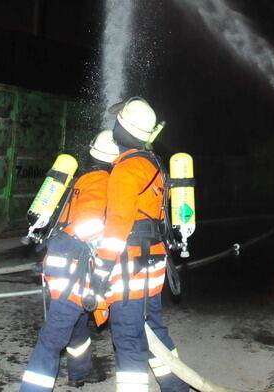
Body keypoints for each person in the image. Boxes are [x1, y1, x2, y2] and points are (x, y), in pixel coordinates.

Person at [92, 97, 190, 392]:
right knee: (154, 330)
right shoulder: (153, 163)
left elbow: (118, 224)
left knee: (128, 336)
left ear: (121, 129)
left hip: (128, 263)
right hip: (155, 259)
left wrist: (101, 268)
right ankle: (177, 387)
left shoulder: (124, 171)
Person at [19, 129, 119, 392]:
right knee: (53, 338)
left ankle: (80, 372)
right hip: (74, 267)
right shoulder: (100, 180)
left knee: (76, 322)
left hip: (61, 261)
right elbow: (88, 225)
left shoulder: (82, 178)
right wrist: (108, 250)